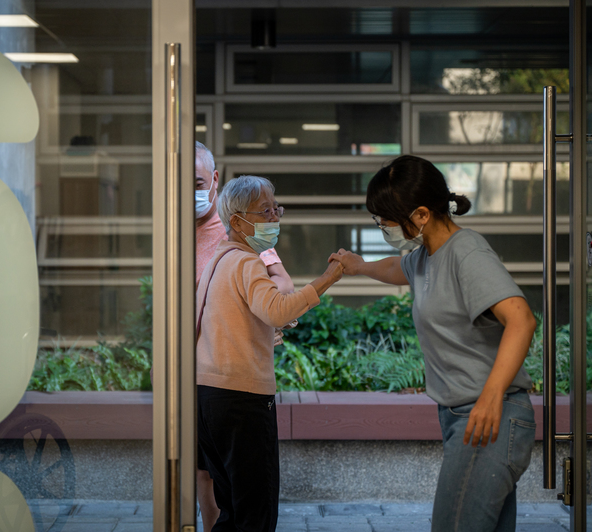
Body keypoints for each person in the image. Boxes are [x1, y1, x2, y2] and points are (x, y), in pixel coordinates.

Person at [329, 155, 536, 532]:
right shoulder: (427, 255)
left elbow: (521, 319)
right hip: (466, 416)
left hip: (490, 415)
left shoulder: (466, 252)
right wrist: (358, 266)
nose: (383, 227)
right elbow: (398, 268)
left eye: (387, 219)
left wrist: (491, 397)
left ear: (421, 214)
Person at [196, 175, 343, 532]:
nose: (275, 217)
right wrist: (329, 277)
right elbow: (278, 309)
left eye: (276, 208)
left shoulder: (220, 259)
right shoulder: (246, 263)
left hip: (208, 397)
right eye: (265, 211)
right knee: (255, 514)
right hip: (241, 399)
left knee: (231, 509)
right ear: (237, 221)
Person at [194, 142, 293, 531]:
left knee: (234, 490)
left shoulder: (241, 237)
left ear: (215, 180)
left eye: (198, 181)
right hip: (204, 373)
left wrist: (276, 306)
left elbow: (281, 284)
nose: (272, 216)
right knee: (209, 474)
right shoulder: (174, 233)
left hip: (231, 373)